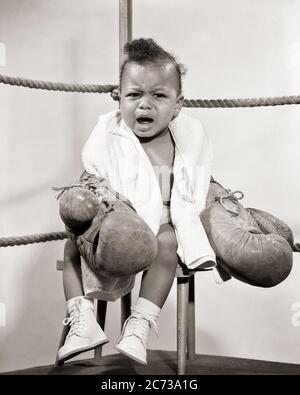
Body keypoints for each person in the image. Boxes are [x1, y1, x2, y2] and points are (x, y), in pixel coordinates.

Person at [57, 38, 216, 365]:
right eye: (134, 95)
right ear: (119, 98)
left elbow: (194, 184)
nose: (144, 105)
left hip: (158, 231)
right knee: (72, 244)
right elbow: (93, 171)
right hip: (116, 224)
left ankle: (139, 324)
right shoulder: (110, 134)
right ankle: (83, 319)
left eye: (158, 95)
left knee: (169, 242)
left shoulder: (185, 140)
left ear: (178, 104)